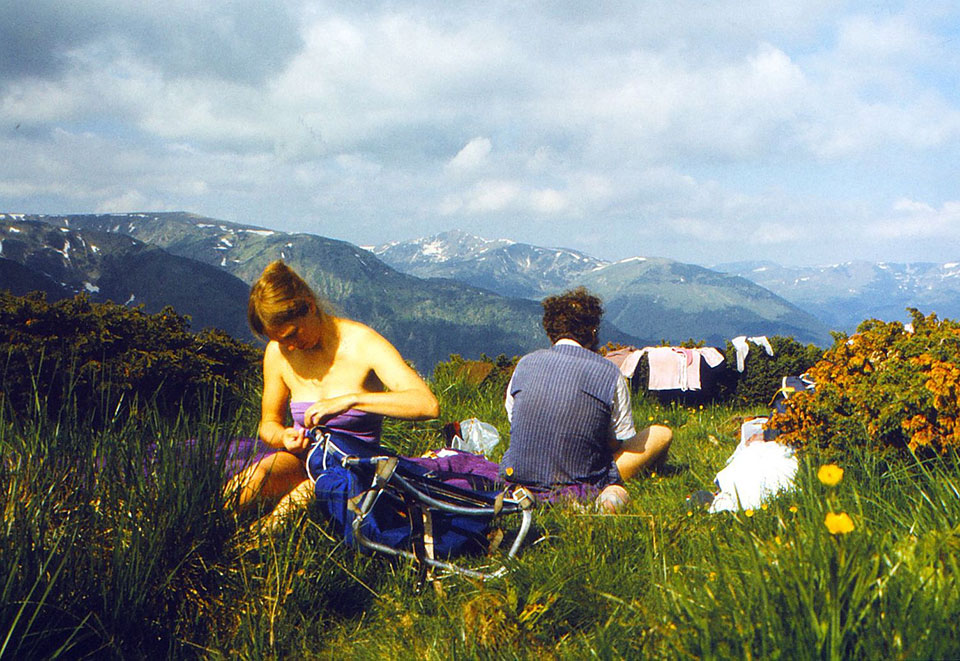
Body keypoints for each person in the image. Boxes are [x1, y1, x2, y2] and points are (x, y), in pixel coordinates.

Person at [227, 260, 440, 525]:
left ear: (310, 306)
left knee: (292, 507)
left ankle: (256, 547)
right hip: (302, 457)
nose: (291, 346)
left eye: (293, 334)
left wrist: (352, 400)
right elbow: (268, 424)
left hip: (352, 464)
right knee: (247, 485)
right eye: (282, 340)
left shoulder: (362, 342)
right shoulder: (278, 352)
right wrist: (284, 436)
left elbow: (427, 404)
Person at [499, 287, 672, 512]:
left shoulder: (524, 364)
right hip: (580, 478)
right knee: (661, 434)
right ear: (592, 331)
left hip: (517, 475)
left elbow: (516, 422)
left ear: (551, 331)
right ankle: (611, 495)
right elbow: (615, 442)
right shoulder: (609, 372)